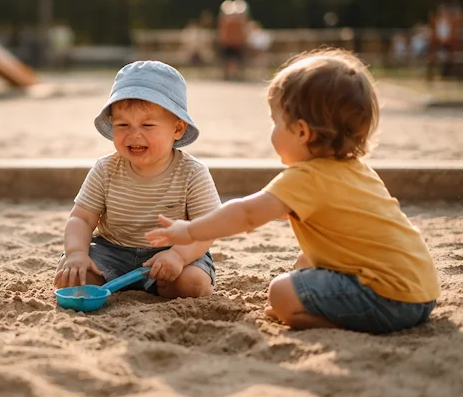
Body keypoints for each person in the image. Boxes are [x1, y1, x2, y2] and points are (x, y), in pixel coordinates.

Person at [146, 49, 439, 334]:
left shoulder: (305, 178)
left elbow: (246, 214)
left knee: (282, 293)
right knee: (305, 261)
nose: (272, 131)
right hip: (422, 290)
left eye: (276, 122)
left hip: (389, 298)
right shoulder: (358, 170)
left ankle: (323, 322)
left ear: (301, 131)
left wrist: (191, 231)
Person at [53, 61, 221, 298]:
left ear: (178, 129)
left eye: (148, 125)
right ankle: (109, 278)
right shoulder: (105, 169)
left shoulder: (192, 173)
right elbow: (81, 218)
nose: (134, 134)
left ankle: (167, 284)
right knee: (70, 279)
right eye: (123, 125)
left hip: (174, 250)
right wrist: (76, 253)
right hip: (112, 251)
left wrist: (178, 256)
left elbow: (206, 229)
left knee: (193, 285)